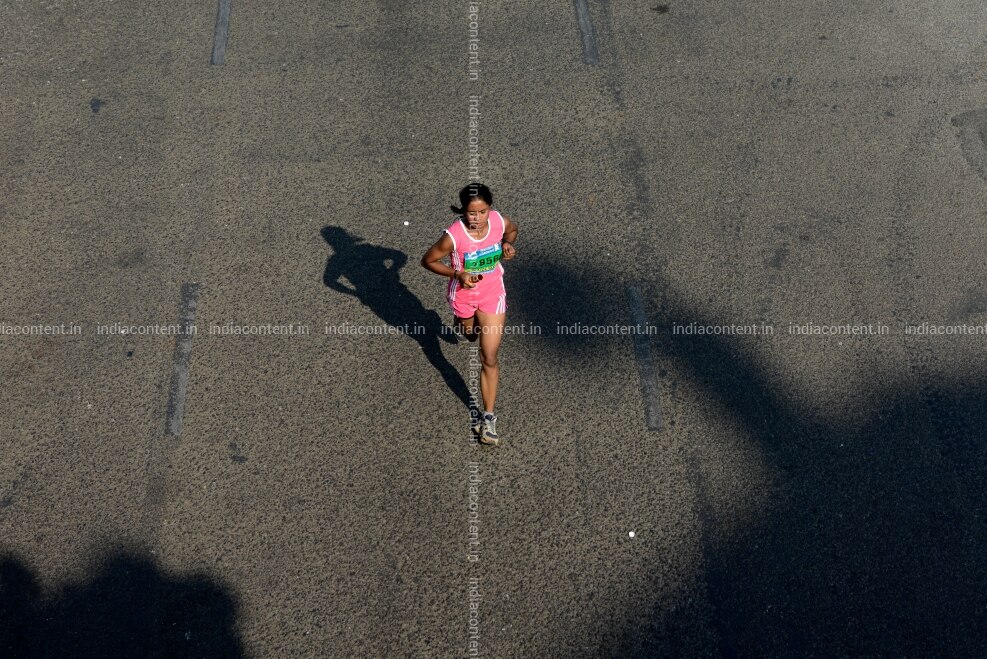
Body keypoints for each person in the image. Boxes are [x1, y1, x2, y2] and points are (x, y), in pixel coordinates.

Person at [421, 183, 518, 446]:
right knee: (471, 335)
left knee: (489, 355)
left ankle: (488, 417)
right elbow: (427, 260)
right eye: (471, 213)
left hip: (492, 293)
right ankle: (463, 323)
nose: (477, 218)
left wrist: (507, 245)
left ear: (490, 208)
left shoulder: (498, 221)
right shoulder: (454, 235)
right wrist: (458, 274)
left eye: (482, 212)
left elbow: (512, 230)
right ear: (463, 210)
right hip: (463, 296)